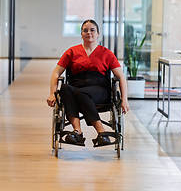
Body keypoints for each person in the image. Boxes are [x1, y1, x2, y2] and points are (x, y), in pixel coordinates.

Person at [46, 19, 130, 147]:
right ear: (81, 34)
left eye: (92, 30)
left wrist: (124, 99)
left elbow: (121, 77)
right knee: (65, 88)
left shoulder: (106, 53)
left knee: (81, 93)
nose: (89, 33)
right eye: (85, 30)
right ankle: (77, 131)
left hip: (100, 89)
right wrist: (52, 94)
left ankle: (101, 131)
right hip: (77, 87)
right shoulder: (72, 52)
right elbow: (56, 73)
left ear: (98, 34)